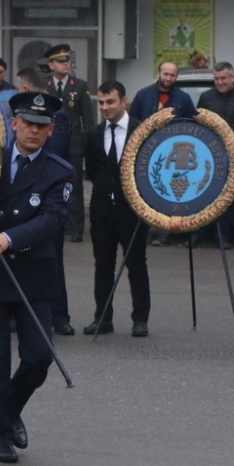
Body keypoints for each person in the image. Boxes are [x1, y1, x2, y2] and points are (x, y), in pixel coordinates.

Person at [0, 91, 74, 463]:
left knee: (39, 356)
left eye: (41, 126)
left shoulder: (60, 172)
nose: (33, 130)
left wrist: (11, 238)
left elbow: (52, 219)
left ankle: (9, 409)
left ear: (50, 131)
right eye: (27, 123)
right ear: (13, 124)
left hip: (32, 276)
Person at [84, 81, 150, 338]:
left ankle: (140, 319)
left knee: (136, 264)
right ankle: (102, 318)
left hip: (132, 211)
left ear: (124, 101)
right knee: (103, 265)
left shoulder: (141, 130)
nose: (105, 107)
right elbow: (92, 170)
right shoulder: (94, 133)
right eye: (101, 103)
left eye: (110, 102)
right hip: (102, 211)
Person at [16, 66, 74, 336]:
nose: (34, 129)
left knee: (52, 260)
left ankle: (58, 316)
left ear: (25, 89)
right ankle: (20, 312)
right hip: (20, 198)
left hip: (46, 195)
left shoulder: (58, 117)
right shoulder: (20, 117)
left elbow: (56, 155)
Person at [130, 61, 197, 247]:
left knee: (168, 192)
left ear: (176, 77)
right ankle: (144, 232)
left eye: (172, 75)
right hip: (146, 151)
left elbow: (191, 124)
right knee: (144, 192)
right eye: (165, 74)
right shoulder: (143, 95)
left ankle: (163, 234)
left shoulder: (183, 98)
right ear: (158, 73)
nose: (168, 78)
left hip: (173, 154)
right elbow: (133, 122)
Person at [193, 61, 234, 249]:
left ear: (232, 78)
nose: (220, 82)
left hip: (233, 156)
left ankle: (223, 237)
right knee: (202, 195)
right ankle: (199, 235)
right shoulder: (206, 97)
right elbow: (198, 123)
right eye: (216, 79)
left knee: (227, 199)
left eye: (223, 78)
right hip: (207, 155)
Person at [45, 44, 92, 243]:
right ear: (51, 64)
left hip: (73, 143)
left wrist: (88, 142)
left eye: (67, 61)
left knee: (74, 186)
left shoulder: (79, 85)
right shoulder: (44, 85)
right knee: (51, 184)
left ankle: (77, 228)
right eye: (61, 61)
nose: (65, 65)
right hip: (50, 142)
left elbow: (87, 117)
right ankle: (57, 223)